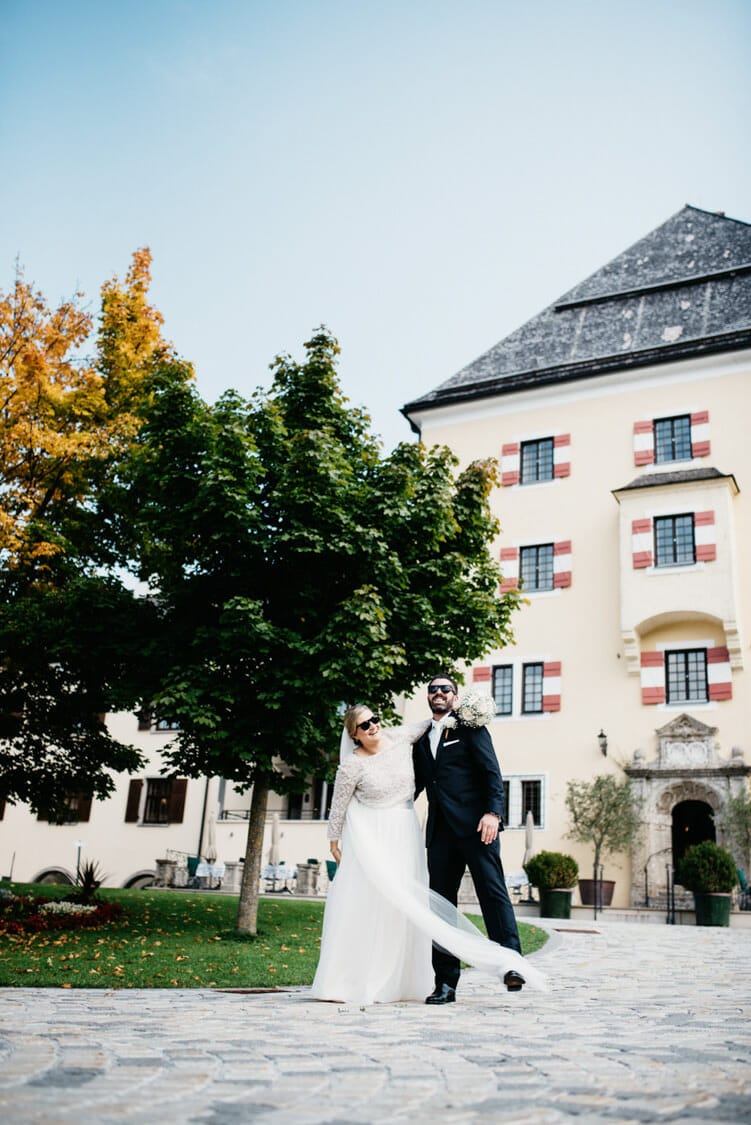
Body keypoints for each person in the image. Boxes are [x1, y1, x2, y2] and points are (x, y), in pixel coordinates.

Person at [311, 704, 542, 1006]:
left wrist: (469, 712)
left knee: (454, 900)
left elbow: (463, 748)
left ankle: (508, 964)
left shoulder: (406, 737)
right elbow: (339, 805)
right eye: (365, 725)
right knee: (401, 903)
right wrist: (333, 840)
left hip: (422, 833)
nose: (373, 726)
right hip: (384, 836)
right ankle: (425, 980)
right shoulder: (355, 764)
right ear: (355, 735)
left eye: (375, 719)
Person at [413, 674, 527, 1004]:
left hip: (478, 828)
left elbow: (492, 773)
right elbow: (417, 784)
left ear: (455, 695)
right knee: (441, 907)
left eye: (444, 689)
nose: (438, 693)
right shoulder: (422, 739)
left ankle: (512, 964)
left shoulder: (470, 728)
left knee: (493, 894)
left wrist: (493, 813)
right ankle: (445, 983)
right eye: (432, 689)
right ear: (428, 696)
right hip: (440, 834)